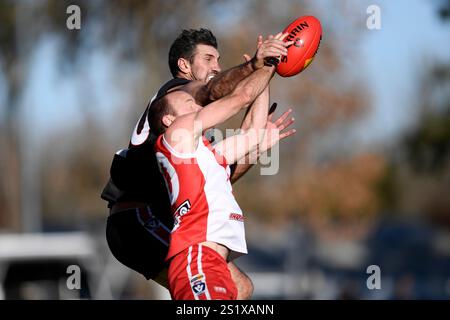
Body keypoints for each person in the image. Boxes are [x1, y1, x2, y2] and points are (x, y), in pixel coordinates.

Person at [101, 29, 295, 299]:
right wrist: (257, 65)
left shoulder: (199, 146)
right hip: (138, 219)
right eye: (208, 58)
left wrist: (259, 138)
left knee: (241, 288)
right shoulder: (176, 95)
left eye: (218, 59)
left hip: (160, 222)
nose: (216, 66)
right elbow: (223, 94)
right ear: (184, 65)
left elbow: (225, 170)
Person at [149, 45, 284, 299]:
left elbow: (253, 135)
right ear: (169, 119)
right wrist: (261, 66)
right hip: (197, 259)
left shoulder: (204, 154)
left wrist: (268, 74)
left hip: (212, 263)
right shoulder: (176, 133)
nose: (197, 106)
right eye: (189, 103)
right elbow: (239, 98)